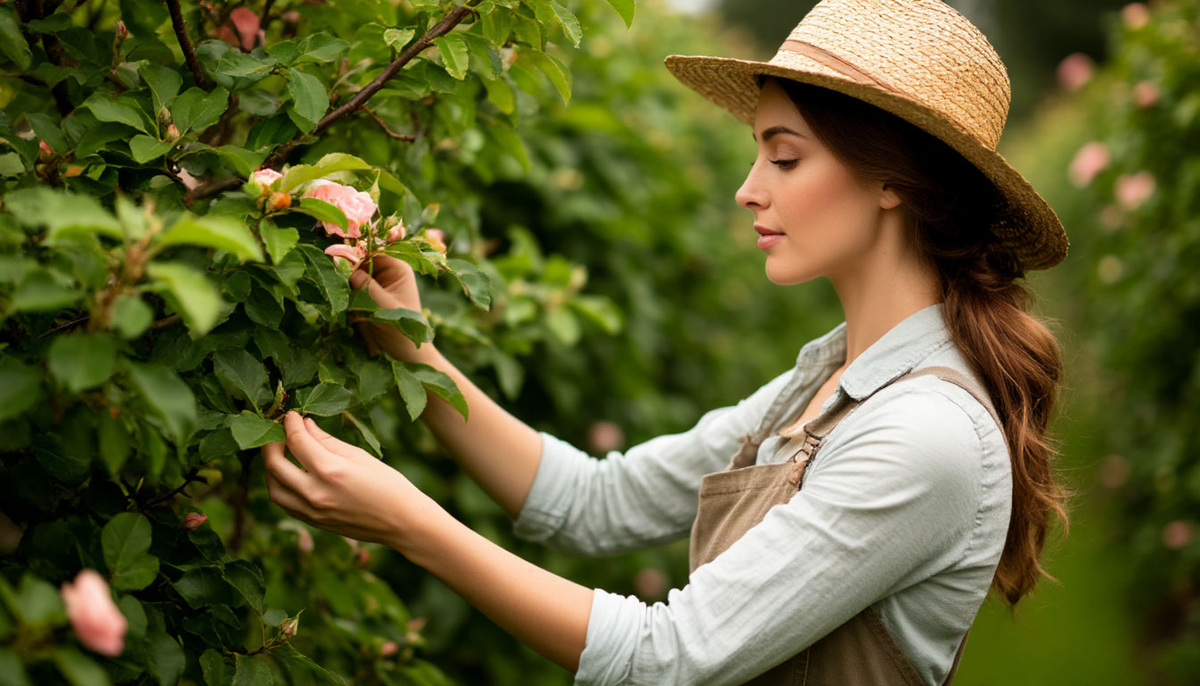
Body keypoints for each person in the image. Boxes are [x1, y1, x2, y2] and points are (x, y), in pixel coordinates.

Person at [260, 0, 1072, 683]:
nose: (748, 190)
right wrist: (414, 351)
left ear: (893, 176)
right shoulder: (831, 378)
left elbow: (668, 658)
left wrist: (411, 523)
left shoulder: (924, 435)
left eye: (785, 158)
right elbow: (594, 501)